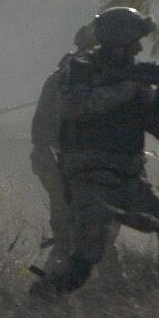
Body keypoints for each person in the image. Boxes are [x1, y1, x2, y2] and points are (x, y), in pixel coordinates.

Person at [31, 7, 159, 299]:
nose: (139, 48)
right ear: (118, 41)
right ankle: (39, 301)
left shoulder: (134, 79)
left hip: (129, 180)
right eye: (134, 41)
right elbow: (75, 107)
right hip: (92, 181)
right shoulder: (80, 71)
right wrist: (128, 88)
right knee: (83, 261)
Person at [29, 24, 96, 275]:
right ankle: (53, 282)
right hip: (63, 164)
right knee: (77, 228)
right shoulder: (70, 79)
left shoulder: (61, 76)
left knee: (73, 228)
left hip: (61, 163)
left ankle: (56, 277)